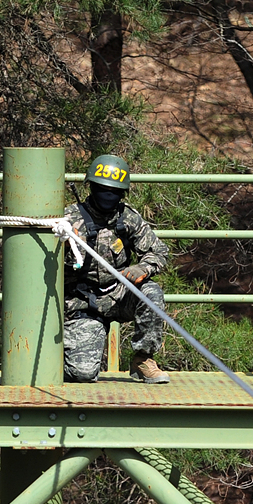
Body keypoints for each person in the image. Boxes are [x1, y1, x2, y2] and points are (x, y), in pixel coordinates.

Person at [62, 154, 170, 384]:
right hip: (82, 301)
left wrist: (143, 268)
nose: (108, 196)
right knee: (81, 374)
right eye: (102, 189)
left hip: (119, 295)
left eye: (114, 191)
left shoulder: (128, 218)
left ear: (122, 194)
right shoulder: (69, 220)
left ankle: (143, 360)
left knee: (151, 293)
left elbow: (159, 252)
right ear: (91, 187)